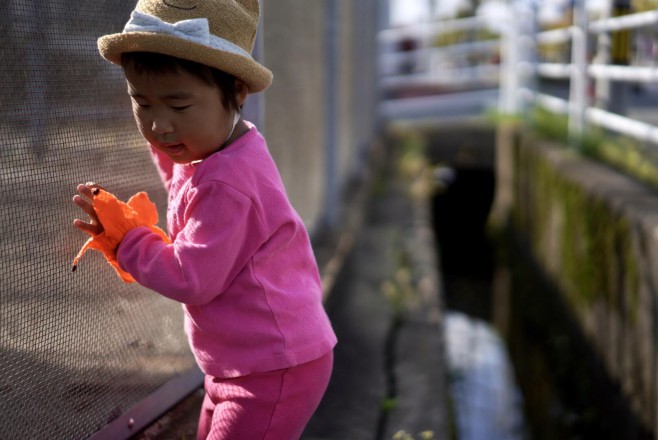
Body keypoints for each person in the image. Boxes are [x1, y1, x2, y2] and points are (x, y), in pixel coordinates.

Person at [72, 1, 337, 438]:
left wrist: (127, 240)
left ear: (236, 91)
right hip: (242, 359)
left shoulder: (228, 183)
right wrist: (171, 138)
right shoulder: (222, 150)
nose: (159, 125)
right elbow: (181, 178)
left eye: (178, 105)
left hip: (272, 370)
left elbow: (190, 276)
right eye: (142, 102)